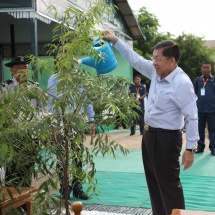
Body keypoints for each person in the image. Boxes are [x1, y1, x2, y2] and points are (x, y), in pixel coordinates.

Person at [102, 30, 199, 215]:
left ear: (171, 60)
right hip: (149, 136)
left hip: (168, 139)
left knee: (169, 185)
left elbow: (192, 116)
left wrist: (190, 149)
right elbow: (135, 59)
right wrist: (116, 41)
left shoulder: (181, 83)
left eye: (158, 59)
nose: (153, 62)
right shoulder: (155, 72)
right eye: (153, 58)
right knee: (153, 182)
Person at [1, 56, 40, 214]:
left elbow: (40, 110)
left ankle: (24, 204)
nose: (24, 71)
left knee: (27, 169)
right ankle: (12, 204)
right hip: (12, 135)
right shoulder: (5, 87)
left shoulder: (34, 87)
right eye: (20, 68)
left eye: (26, 67)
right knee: (12, 169)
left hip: (30, 136)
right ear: (12, 70)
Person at [47, 73, 95, 200]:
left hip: (76, 123)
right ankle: (64, 190)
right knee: (62, 158)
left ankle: (77, 188)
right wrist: (54, 126)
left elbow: (86, 100)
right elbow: (51, 102)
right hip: (61, 123)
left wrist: (91, 120)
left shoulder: (79, 79)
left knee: (77, 157)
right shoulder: (54, 79)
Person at [193, 62, 215, 156]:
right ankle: (200, 146)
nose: (206, 69)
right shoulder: (198, 80)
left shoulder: (214, 80)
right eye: (204, 67)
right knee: (200, 129)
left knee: (213, 130)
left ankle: (213, 148)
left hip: (212, 109)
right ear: (202, 69)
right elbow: (193, 94)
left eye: (207, 67)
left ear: (211, 69)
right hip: (200, 109)